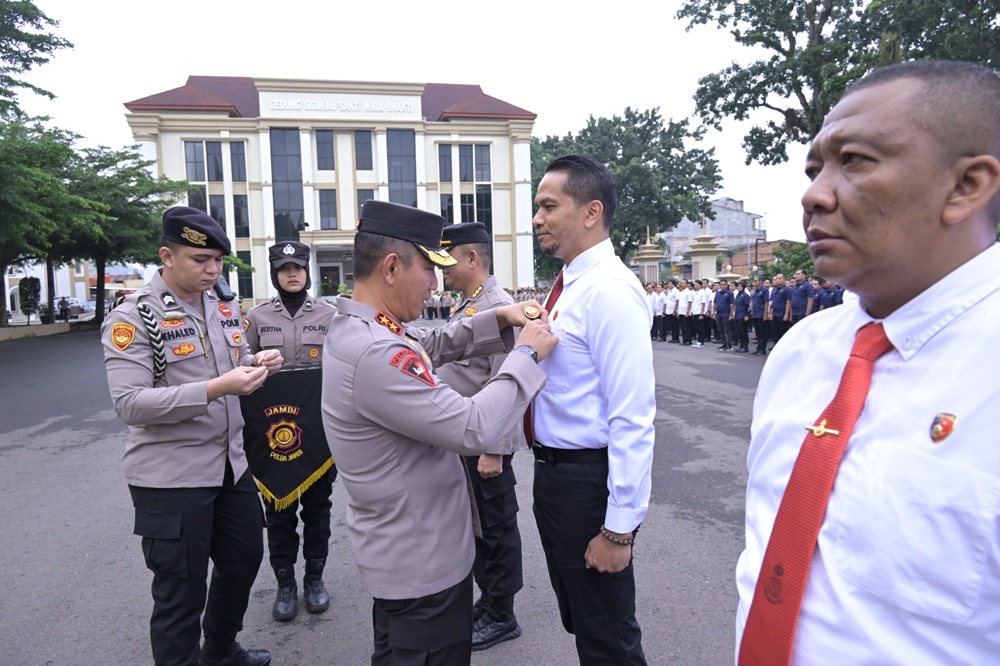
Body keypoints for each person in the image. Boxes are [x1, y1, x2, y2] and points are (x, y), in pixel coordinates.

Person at [736, 60, 1000, 665]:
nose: (813, 194)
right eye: (813, 168)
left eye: (854, 160)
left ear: (966, 186)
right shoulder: (802, 352)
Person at [321, 200, 557, 665]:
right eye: (429, 269)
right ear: (392, 267)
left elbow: (429, 345)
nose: (434, 285)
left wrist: (498, 319)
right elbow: (472, 427)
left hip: (405, 556)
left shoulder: (366, 328)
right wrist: (525, 357)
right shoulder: (375, 353)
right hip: (422, 566)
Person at [102, 206, 283, 666]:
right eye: (200, 260)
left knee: (243, 561)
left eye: (218, 260)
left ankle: (220, 650)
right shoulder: (134, 315)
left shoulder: (221, 304)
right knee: (180, 592)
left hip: (230, 465)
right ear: (167, 255)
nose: (213, 270)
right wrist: (216, 388)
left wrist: (259, 360)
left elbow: (238, 352)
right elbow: (129, 403)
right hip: (171, 477)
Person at [530, 154, 655, 665]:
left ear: (590, 212)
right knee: (584, 622)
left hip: (588, 485)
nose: (536, 218)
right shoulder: (570, 286)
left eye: (548, 206)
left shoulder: (609, 290)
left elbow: (632, 415)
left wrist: (617, 529)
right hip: (556, 478)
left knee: (608, 636)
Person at [437, 222, 525, 651]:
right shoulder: (470, 303)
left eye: (448, 260)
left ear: (472, 258)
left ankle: (501, 613)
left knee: (496, 525)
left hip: (485, 441)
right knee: (477, 524)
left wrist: (496, 449)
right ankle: (489, 600)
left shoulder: (499, 305)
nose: (442, 271)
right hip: (464, 436)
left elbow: (509, 383)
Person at [243, 241, 338, 622]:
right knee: (278, 512)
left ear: (308, 271)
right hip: (273, 437)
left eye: (297, 267)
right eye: (284, 269)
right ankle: (285, 584)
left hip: (317, 434)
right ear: (275, 274)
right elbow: (242, 365)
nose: (292, 274)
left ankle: (315, 578)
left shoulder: (330, 315)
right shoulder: (258, 317)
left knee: (318, 509)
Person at [749, 277, 769, 356]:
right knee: (757, 333)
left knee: (762, 333)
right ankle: (759, 348)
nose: (754, 282)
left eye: (756, 281)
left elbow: (766, 302)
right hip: (755, 314)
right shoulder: (754, 291)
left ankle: (762, 349)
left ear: (760, 282)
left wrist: (765, 314)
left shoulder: (764, 290)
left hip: (761, 313)